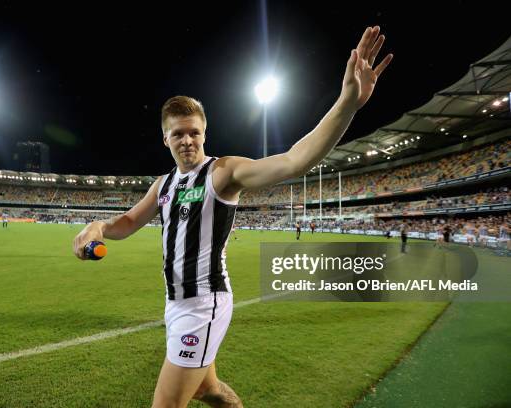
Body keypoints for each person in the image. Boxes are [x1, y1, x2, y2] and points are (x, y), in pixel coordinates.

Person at [73, 26, 392, 408]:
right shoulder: (163, 185)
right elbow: (125, 223)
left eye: (194, 132)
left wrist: (347, 104)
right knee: (210, 390)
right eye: (178, 134)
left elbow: (295, 160)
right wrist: (99, 226)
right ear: (165, 140)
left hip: (203, 305)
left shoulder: (223, 173)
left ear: (205, 133)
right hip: (176, 304)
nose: (187, 140)